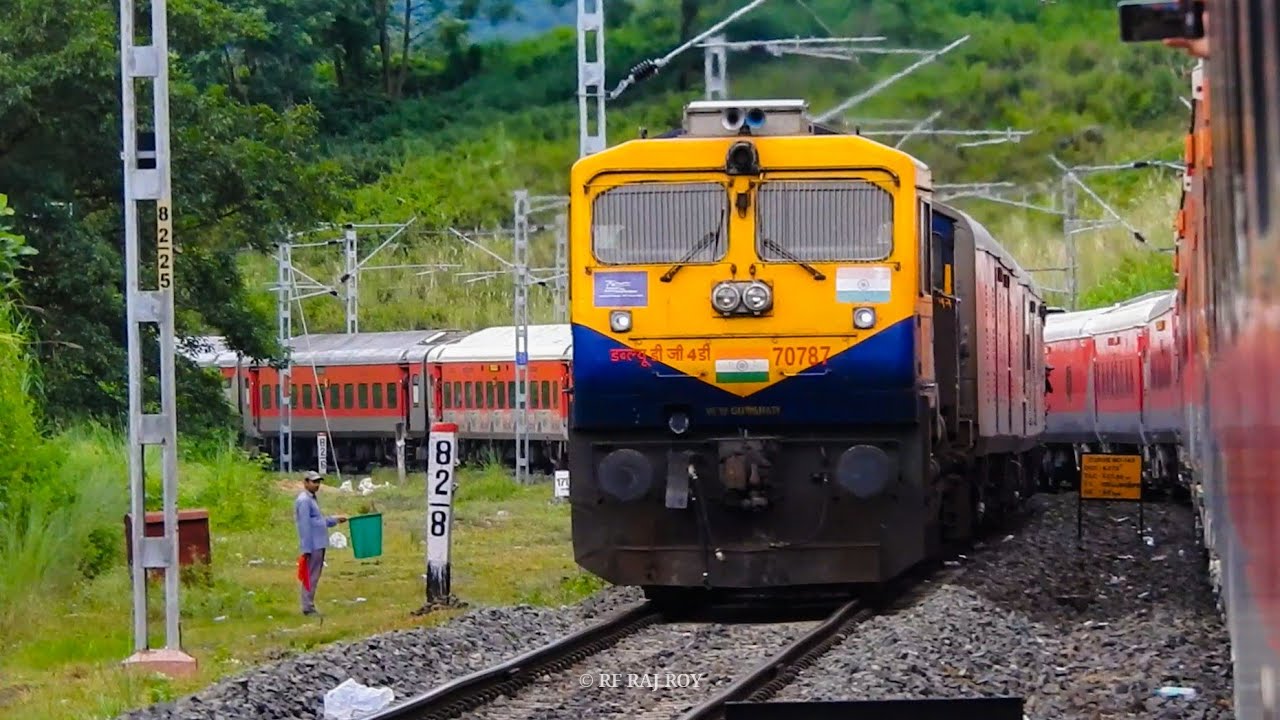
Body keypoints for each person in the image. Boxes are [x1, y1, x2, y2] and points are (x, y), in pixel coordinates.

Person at [294, 471, 347, 615]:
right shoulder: (304, 500)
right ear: (305, 482)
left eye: (318, 482)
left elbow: (317, 521)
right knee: (311, 576)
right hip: (313, 545)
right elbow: (304, 525)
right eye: (313, 482)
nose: (317, 485)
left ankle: (309, 604)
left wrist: (335, 519)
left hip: (319, 542)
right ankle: (307, 607)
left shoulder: (311, 499)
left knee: (314, 575)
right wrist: (306, 548)